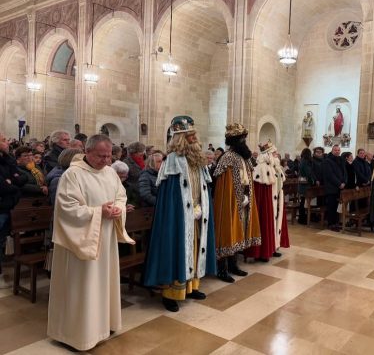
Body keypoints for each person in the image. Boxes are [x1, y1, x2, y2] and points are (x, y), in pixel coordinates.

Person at [47, 134, 135, 351]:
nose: (105, 160)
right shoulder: (73, 175)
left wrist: (118, 208)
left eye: (108, 156)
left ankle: (104, 325)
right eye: (100, 156)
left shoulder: (110, 173)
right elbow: (67, 208)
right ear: (87, 152)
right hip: (82, 240)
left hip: (105, 238)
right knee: (83, 286)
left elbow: (121, 196)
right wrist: (98, 212)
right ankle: (78, 335)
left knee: (103, 282)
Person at [144, 116, 216, 312]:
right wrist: (184, 212)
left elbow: (202, 188)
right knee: (177, 249)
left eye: (194, 135)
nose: (195, 139)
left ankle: (191, 287)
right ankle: (171, 294)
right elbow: (171, 195)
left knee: (193, 249)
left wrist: (201, 207)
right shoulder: (173, 161)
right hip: (178, 217)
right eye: (190, 135)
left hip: (196, 215)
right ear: (180, 137)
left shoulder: (197, 160)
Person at [212, 123, 261, 283]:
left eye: (244, 138)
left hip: (243, 202)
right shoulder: (227, 158)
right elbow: (224, 186)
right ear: (234, 140)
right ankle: (222, 269)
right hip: (229, 202)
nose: (244, 141)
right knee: (227, 231)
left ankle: (233, 265)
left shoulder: (243, 157)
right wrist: (235, 199)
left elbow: (247, 179)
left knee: (238, 232)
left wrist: (246, 197)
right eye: (242, 139)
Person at [0, 132, 26, 289]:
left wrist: (12, 183)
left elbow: (20, 178)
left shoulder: (6, 159)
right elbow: (2, 186)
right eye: (3, 140)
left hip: (8, 205)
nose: (7, 142)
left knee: (1, 241)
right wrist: (11, 184)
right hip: (1, 206)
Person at [246, 140, 277, 262]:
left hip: (266, 204)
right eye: (272, 153)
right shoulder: (261, 169)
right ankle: (259, 252)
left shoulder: (267, 167)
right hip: (260, 206)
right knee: (262, 221)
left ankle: (265, 251)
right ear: (267, 154)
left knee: (265, 220)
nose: (275, 155)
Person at [321, 144, 347, 231]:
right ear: (332, 151)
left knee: (337, 206)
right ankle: (331, 224)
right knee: (331, 206)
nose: (337, 151)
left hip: (340, 187)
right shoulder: (327, 161)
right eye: (335, 150)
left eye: (338, 150)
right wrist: (339, 183)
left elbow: (344, 172)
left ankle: (336, 222)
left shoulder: (341, 160)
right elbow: (330, 175)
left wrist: (344, 182)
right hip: (331, 187)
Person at [298, 148, 315, 224]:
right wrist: (313, 180)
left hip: (302, 182)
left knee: (303, 200)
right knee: (304, 201)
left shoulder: (302, 160)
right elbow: (308, 172)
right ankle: (302, 218)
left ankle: (302, 217)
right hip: (305, 183)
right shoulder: (306, 161)